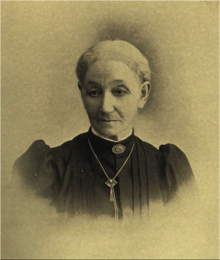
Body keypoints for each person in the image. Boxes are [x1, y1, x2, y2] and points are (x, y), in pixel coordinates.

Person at [12, 40, 195, 221]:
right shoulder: (51, 168)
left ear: (143, 94)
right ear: (82, 93)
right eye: (94, 92)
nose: (106, 107)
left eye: (119, 91)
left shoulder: (166, 168)